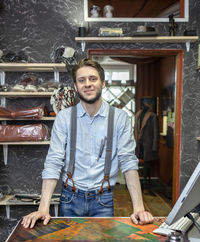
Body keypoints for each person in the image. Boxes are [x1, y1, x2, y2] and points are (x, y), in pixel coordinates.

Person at [22, 58, 153, 229]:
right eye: (81, 80)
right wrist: (43, 207)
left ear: (103, 83)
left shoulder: (119, 118)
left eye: (93, 79)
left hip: (103, 200)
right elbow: (54, 161)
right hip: (70, 198)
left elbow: (128, 162)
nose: (87, 84)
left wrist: (138, 208)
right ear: (76, 87)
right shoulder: (64, 117)